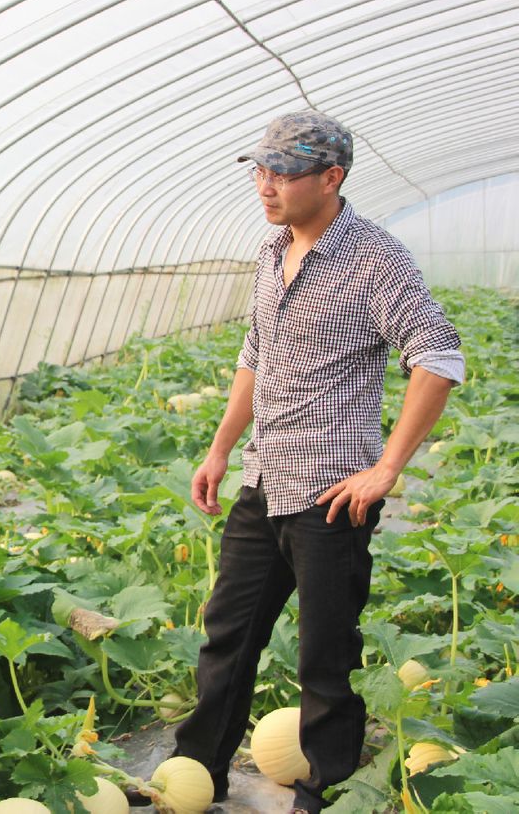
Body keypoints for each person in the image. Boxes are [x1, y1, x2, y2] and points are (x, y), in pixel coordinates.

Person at [168, 111, 463, 814]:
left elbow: (440, 354)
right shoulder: (272, 253)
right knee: (227, 638)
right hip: (264, 479)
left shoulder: (374, 259)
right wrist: (219, 449)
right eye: (260, 170)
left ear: (331, 179)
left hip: (332, 496)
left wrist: (386, 468)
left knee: (324, 660)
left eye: (282, 173)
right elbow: (254, 356)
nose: (265, 186)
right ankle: (192, 774)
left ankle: (325, 793)